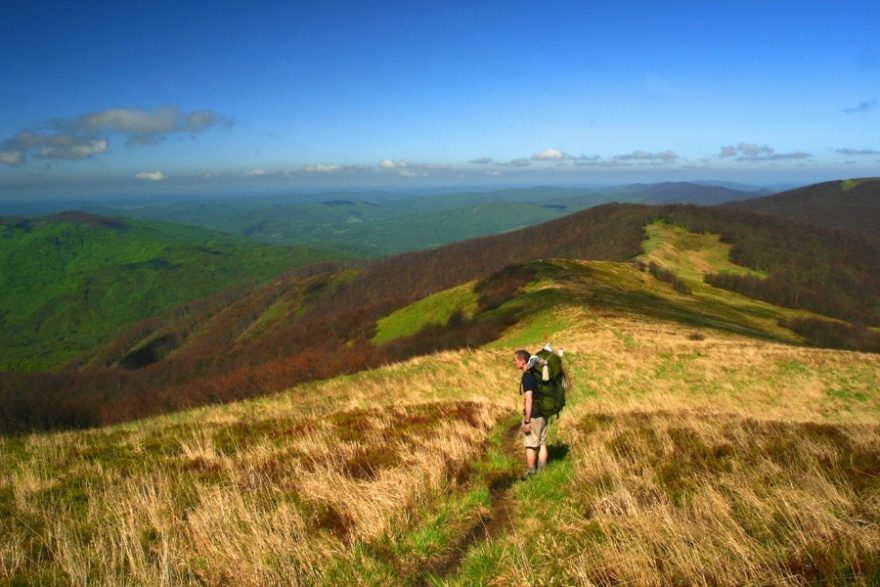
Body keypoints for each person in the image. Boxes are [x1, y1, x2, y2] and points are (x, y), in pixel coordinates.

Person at [513, 349, 548, 478]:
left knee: (530, 445)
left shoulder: (527, 376)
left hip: (533, 415)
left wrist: (527, 421)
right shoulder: (536, 372)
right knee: (542, 442)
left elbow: (529, 399)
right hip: (543, 411)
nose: (513, 362)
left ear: (522, 361)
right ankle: (543, 471)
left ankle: (531, 473)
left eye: (515, 360)